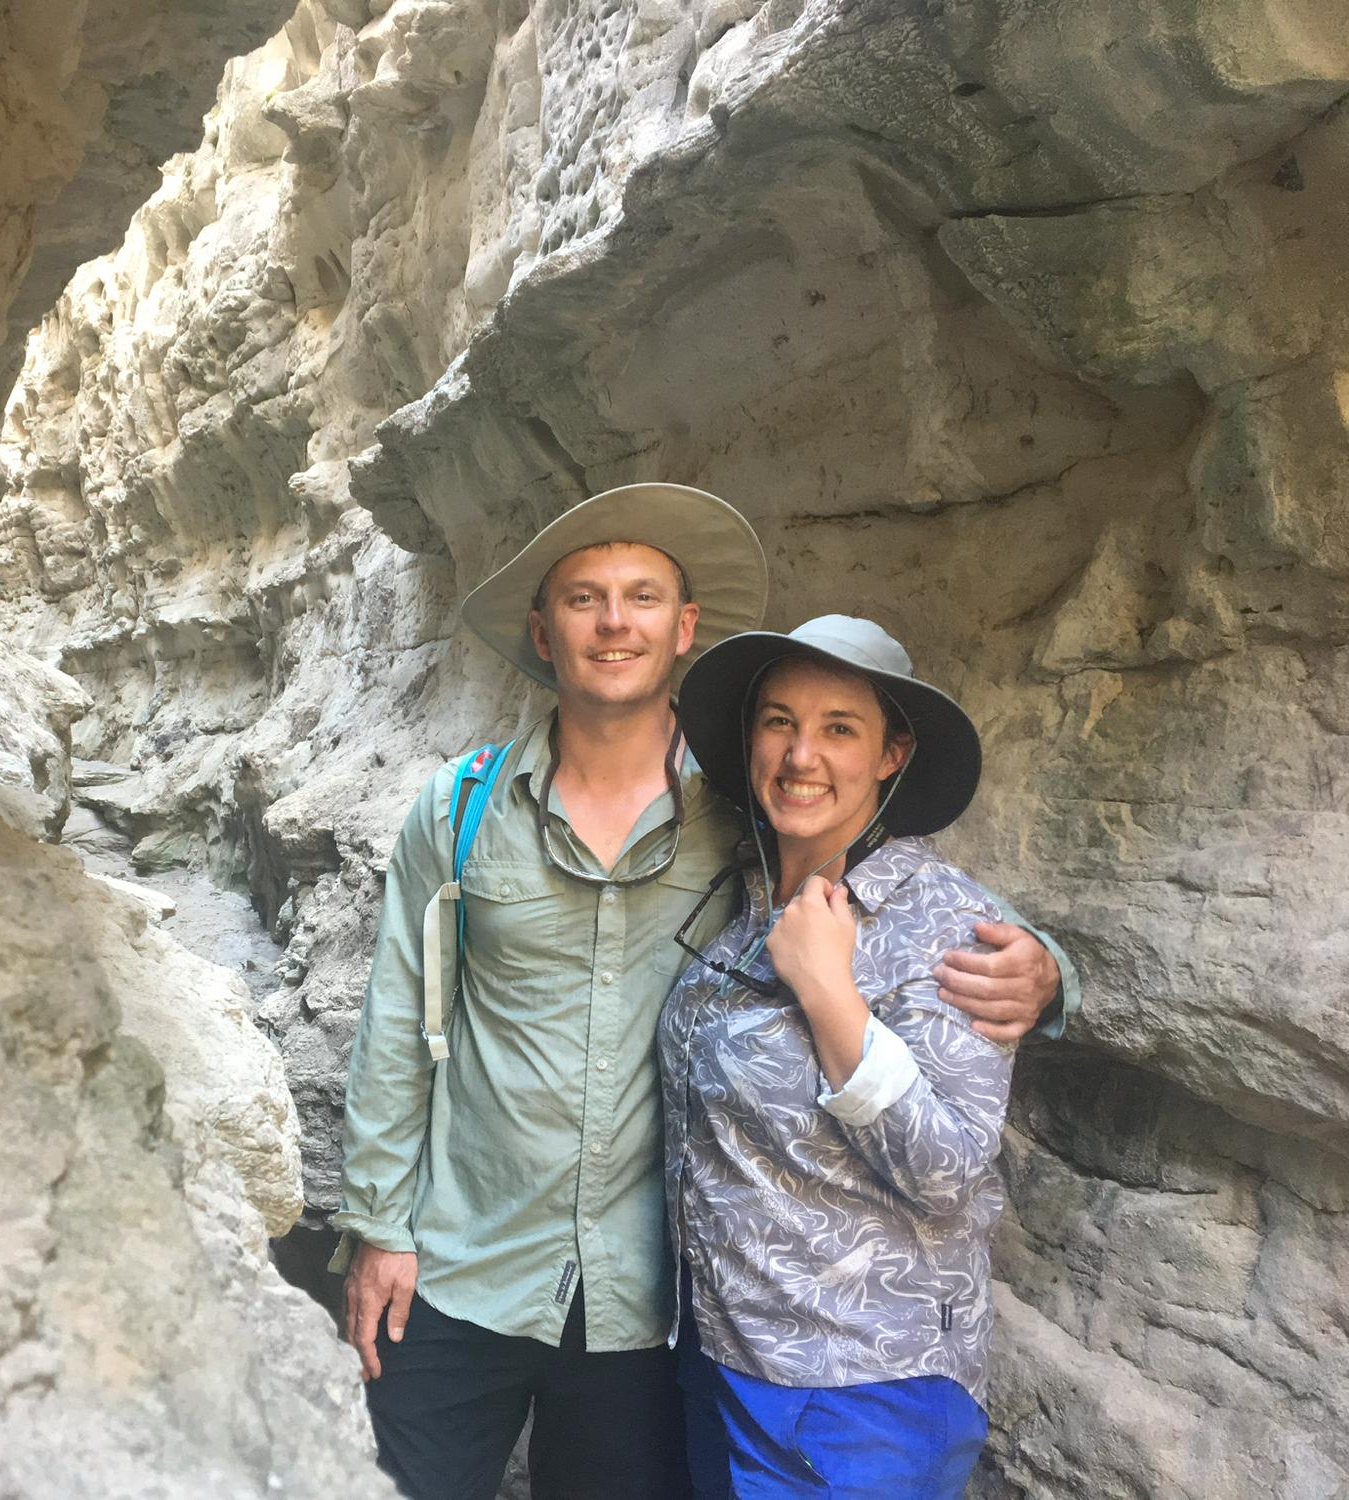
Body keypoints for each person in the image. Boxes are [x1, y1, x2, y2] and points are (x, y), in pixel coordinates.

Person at [331, 484, 1075, 1500]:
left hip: (652, 1304)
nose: (612, 621)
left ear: (682, 629)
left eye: (640, 596)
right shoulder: (460, 809)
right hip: (468, 1261)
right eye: (582, 597)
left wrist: (1044, 971)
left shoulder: (742, 815)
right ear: (542, 633)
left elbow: (905, 901)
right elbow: (395, 1022)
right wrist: (380, 1226)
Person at [658, 614, 1022, 1499]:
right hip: (726, 1358)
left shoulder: (945, 925)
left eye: (839, 729)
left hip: (860, 1392)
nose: (800, 755)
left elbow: (948, 1169)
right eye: (779, 721)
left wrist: (832, 996)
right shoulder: (746, 898)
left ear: (891, 754)